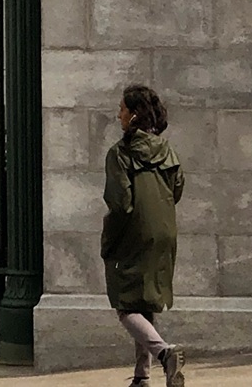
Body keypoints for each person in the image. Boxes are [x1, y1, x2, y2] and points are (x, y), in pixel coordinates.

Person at [101, 84, 187, 387]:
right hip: (165, 232)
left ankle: (165, 354)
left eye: (122, 109)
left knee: (125, 305)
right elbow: (177, 188)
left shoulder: (120, 153)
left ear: (133, 114)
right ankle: (142, 376)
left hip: (133, 233)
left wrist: (109, 239)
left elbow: (120, 203)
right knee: (145, 301)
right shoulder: (167, 150)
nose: (118, 114)